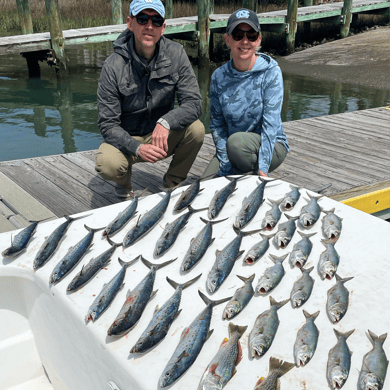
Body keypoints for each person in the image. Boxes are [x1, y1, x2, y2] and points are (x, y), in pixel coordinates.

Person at [95, 0, 205, 198]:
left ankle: (172, 183)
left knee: (196, 129)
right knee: (108, 164)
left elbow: (194, 103)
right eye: (143, 18)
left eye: (156, 20)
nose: (149, 26)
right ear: (130, 23)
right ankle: (124, 188)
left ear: (163, 27)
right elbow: (107, 124)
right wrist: (137, 147)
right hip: (127, 139)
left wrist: (166, 121)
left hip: (160, 135)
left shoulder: (177, 53)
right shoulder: (112, 66)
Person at [202, 8, 288, 179]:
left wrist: (263, 167)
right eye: (238, 34)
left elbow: (271, 124)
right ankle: (238, 170)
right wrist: (225, 162)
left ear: (258, 40)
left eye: (251, 35)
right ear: (227, 39)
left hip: (271, 146)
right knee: (204, 185)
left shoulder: (271, 72)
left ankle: (249, 175)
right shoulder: (218, 76)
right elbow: (217, 125)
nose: (245, 40)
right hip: (233, 149)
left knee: (236, 144)